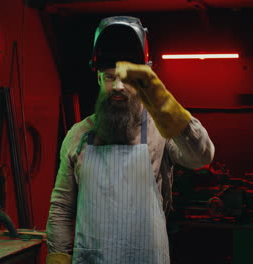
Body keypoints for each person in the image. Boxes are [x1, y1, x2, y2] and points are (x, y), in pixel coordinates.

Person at [46, 16, 215, 264]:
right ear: (98, 78)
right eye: (109, 77)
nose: (118, 87)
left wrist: (163, 103)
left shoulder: (160, 129)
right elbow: (61, 207)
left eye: (128, 78)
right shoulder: (78, 136)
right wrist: (58, 257)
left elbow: (201, 157)